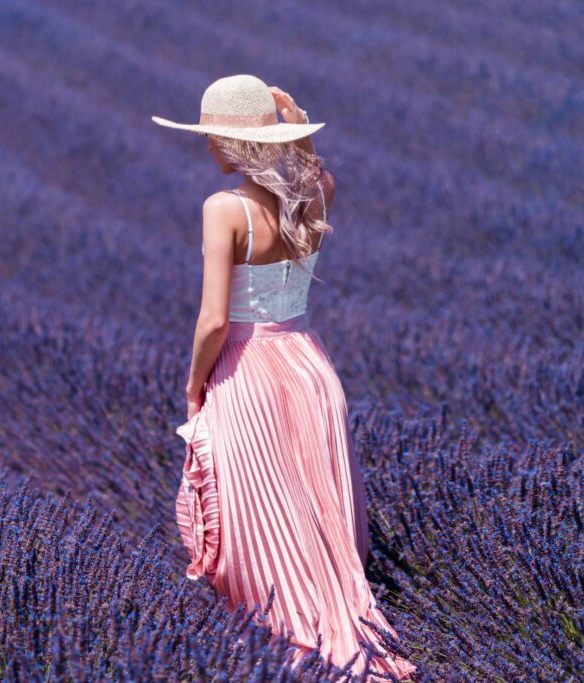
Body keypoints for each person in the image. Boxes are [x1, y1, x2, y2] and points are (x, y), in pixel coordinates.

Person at [151, 75, 418, 680]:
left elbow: (215, 319)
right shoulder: (318, 194)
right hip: (308, 363)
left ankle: (294, 637)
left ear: (230, 141)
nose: (207, 147)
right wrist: (293, 121)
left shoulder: (224, 209)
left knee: (261, 515)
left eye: (212, 136)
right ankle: (346, 620)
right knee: (320, 505)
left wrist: (194, 384)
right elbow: (311, 171)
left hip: (248, 370)